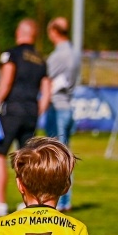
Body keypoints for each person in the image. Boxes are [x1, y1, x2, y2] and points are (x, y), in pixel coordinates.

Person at [0, 19, 51, 218]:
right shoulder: (41, 60)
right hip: (30, 111)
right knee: (27, 160)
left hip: (12, 110)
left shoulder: (12, 54)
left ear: (18, 33)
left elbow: (6, 81)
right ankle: (29, 203)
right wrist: (37, 111)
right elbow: (47, 92)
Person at [44, 17, 78, 210]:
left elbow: (44, 77)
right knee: (64, 155)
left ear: (54, 32)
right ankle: (66, 199)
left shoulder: (58, 55)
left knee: (55, 156)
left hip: (57, 107)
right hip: (68, 105)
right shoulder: (74, 53)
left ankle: (58, 199)